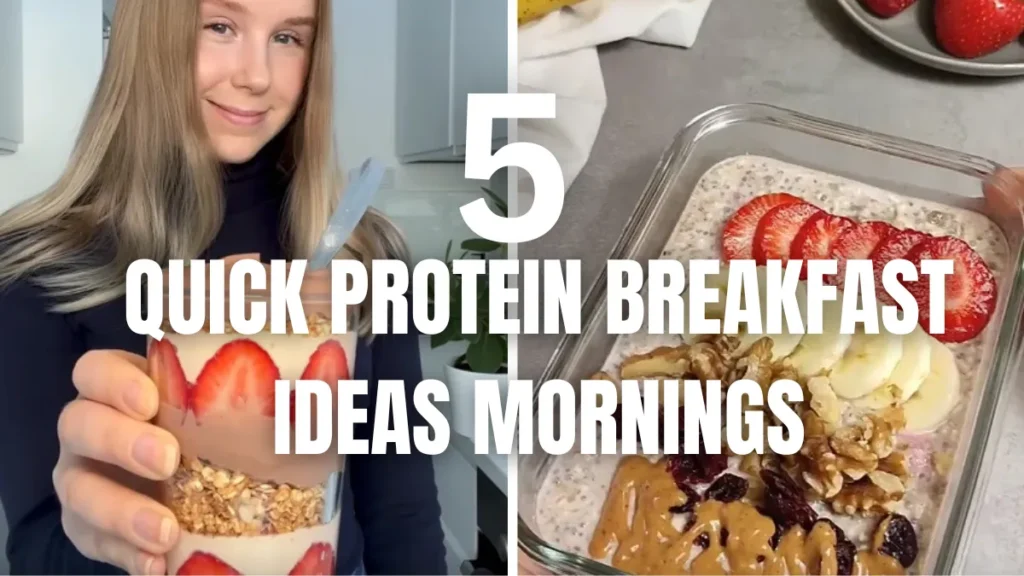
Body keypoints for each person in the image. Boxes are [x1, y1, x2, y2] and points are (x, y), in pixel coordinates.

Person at [0, 0, 447, 574]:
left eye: (288, 38)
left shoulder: (365, 257)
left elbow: (403, 515)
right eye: (220, 26)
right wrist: (118, 537)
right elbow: (37, 548)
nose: (256, 76)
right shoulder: (34, 266)